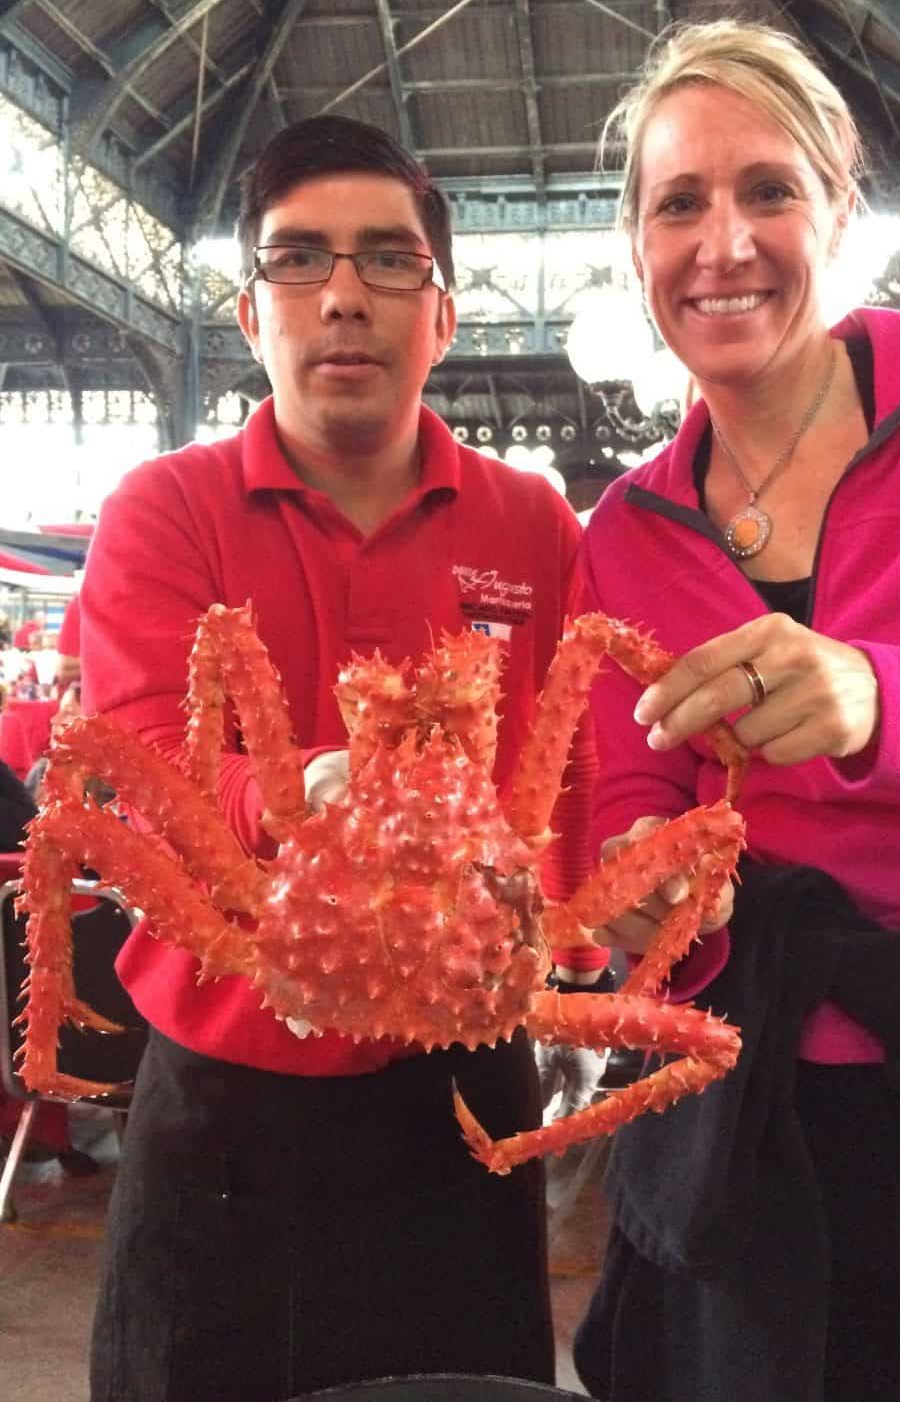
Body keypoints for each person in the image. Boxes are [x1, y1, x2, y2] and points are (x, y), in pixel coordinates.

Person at [571, 19, 900, 1402]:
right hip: (775, 1091)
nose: (722, 241)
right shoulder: (623, 528)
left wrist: (882, 695)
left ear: (839, 206)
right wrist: (639, 894)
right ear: (639, 248)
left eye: (767, 190)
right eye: (680, 203)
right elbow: (628, 801)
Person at [78, 115, 600, 1402]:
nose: (346, 296)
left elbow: (578, 771)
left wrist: (586, 936)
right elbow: (136, 751)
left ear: (446, 314)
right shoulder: (168, 509)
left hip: (465, 1097)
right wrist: (291, 789)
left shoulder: (530, 522)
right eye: (300, 261)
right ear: (252, 314)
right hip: (224, 1093)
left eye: (388, 262)